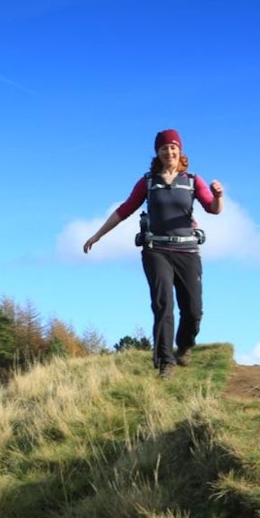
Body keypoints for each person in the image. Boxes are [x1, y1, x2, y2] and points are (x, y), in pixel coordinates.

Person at [82, 129, 224, 378]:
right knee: (163, 304)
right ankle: (165, 362)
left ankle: (185, 346)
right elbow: (124, 210)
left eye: (173, 147)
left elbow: (213, 209)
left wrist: (219, 196)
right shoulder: (148, 182)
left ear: (180, 151)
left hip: (187, 250)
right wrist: (97, 235)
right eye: (163, 148)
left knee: (193, 310)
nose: (169, 152)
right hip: (156, 250)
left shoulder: (191, 180)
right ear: (157, 153)